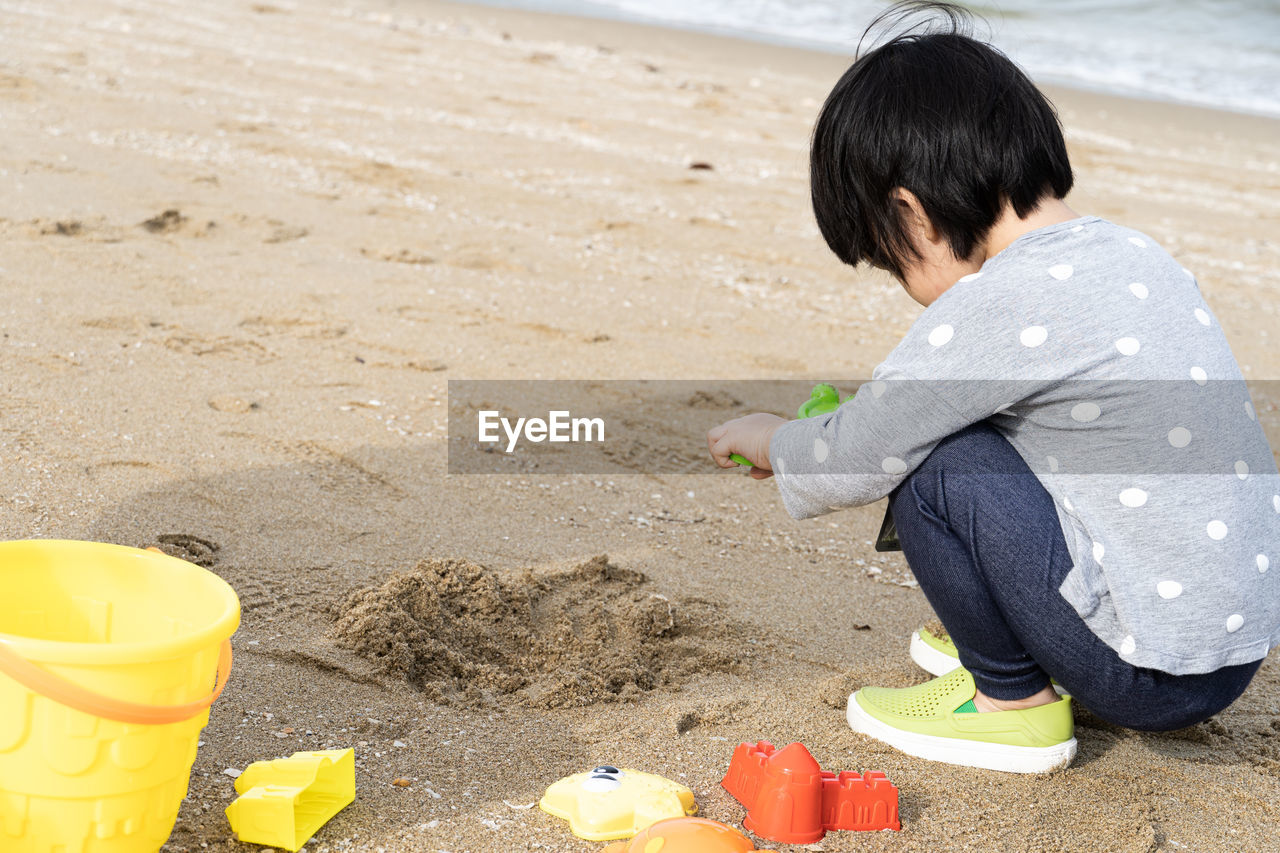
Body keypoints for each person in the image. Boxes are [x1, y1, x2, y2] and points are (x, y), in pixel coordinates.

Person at [706, 1, 1279, 774]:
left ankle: (1012, 703)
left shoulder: (1004, 300)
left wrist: (775, 439)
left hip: (1147, 673)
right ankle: (1025, 635)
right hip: (1230, 650)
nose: (905, 286)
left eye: (888, 258)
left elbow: (864, 447)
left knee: (936, 465)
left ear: (910, 211)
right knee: (1011, 434)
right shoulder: (1134, 254)